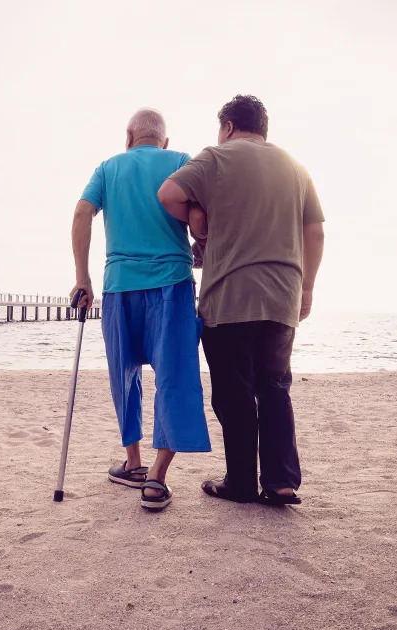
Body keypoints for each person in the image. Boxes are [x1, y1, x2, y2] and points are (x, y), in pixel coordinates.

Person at [157, 95, 325, 506]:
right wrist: (307, 288)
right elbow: (316, 232)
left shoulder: (217, 157)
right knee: (274, 387)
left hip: (230, 296)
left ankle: (241, 483)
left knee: (233, 394)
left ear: (228, 126)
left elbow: (168, 193)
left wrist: (199, 221)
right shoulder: (294, 166)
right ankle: (282, 482)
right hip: (283, 295)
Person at [70, 108, 211, 511]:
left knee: (124, 375)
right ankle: (155, 480)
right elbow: (198, 216)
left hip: (119, 286)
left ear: (128, 137)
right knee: (175, 375)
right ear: (163, 141)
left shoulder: (108, 167)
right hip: (171, 283)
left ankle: (132, 462)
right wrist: (200, 246)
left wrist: (83, 278)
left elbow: (82, 212)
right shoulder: (181, 161)